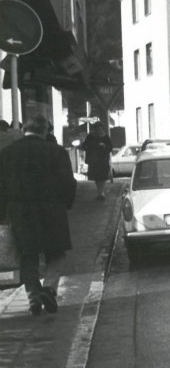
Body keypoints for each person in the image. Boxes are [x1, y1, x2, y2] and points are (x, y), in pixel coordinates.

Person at [0, 115, 77, 316]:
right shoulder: (56, 152)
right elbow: (68, 182)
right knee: (57, 253)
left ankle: (34, 296)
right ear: (45, 131)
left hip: (20, 213)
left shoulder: (7, 153)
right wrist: (66, 203)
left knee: (28, 255)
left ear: (24, 129)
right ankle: (50, 288)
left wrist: (2, 215)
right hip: (52, 210)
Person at [82, 125, 114, 200]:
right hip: (94, 160)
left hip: (103, 159)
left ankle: (101, 192)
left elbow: (110, 147)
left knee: (102, 177)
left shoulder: (105, 137)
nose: (99, 131)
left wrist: (104, 145)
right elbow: (84, 146)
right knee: (97, 177)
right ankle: (100, 192)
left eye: (100, 129)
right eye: (97, 129)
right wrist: (92, 146)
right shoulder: (90, 137)